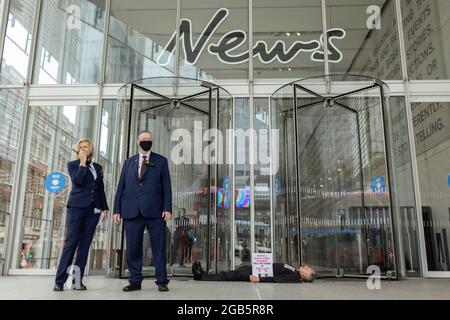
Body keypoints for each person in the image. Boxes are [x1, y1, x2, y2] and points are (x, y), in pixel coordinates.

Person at [113, 131, 172, 292]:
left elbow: (167, 187)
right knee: (132, 247)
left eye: (149, 139)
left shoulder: (161, 161)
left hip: (155, 211)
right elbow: (120, 188)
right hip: (131, 211)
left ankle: (162, 280)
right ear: (137, 141)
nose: (146, 141)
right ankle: (135, 281)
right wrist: (116, 209)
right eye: (143, 139)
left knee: (158, 247)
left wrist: (167, 208)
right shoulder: (128, 163)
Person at [54, 138, 109, 291]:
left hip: (93, 211)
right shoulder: (73, 165)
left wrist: (104, 208)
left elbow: (100, 189)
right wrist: (83, 163)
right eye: (81, 147)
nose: (83, 149)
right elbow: (78, 181)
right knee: (71, 244)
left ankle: (77, 281)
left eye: (86, 147)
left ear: (91, 149)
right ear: (77, 151)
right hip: (77, 208)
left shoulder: (98, 167)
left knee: (84, 247)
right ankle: (59, 281)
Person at [192, 261, 316, 283]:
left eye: (307, 268)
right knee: (233, 273)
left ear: (305, 275)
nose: (304, 266)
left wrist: (259, 279)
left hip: (258, 274)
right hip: (259, 269)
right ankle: (203, 274)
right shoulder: (295, 271)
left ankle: (201, 276)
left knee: (230, 275)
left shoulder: (295, 277)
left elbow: (277, 279)